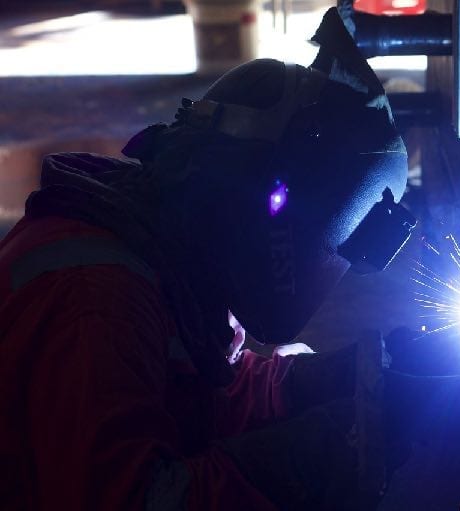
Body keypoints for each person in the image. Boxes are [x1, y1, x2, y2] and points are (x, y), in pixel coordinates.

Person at [0, 8, 414, 510]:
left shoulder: (163, 256)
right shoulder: (99, 301)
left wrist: (334, 380)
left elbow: (203, 395)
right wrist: (318, 453)